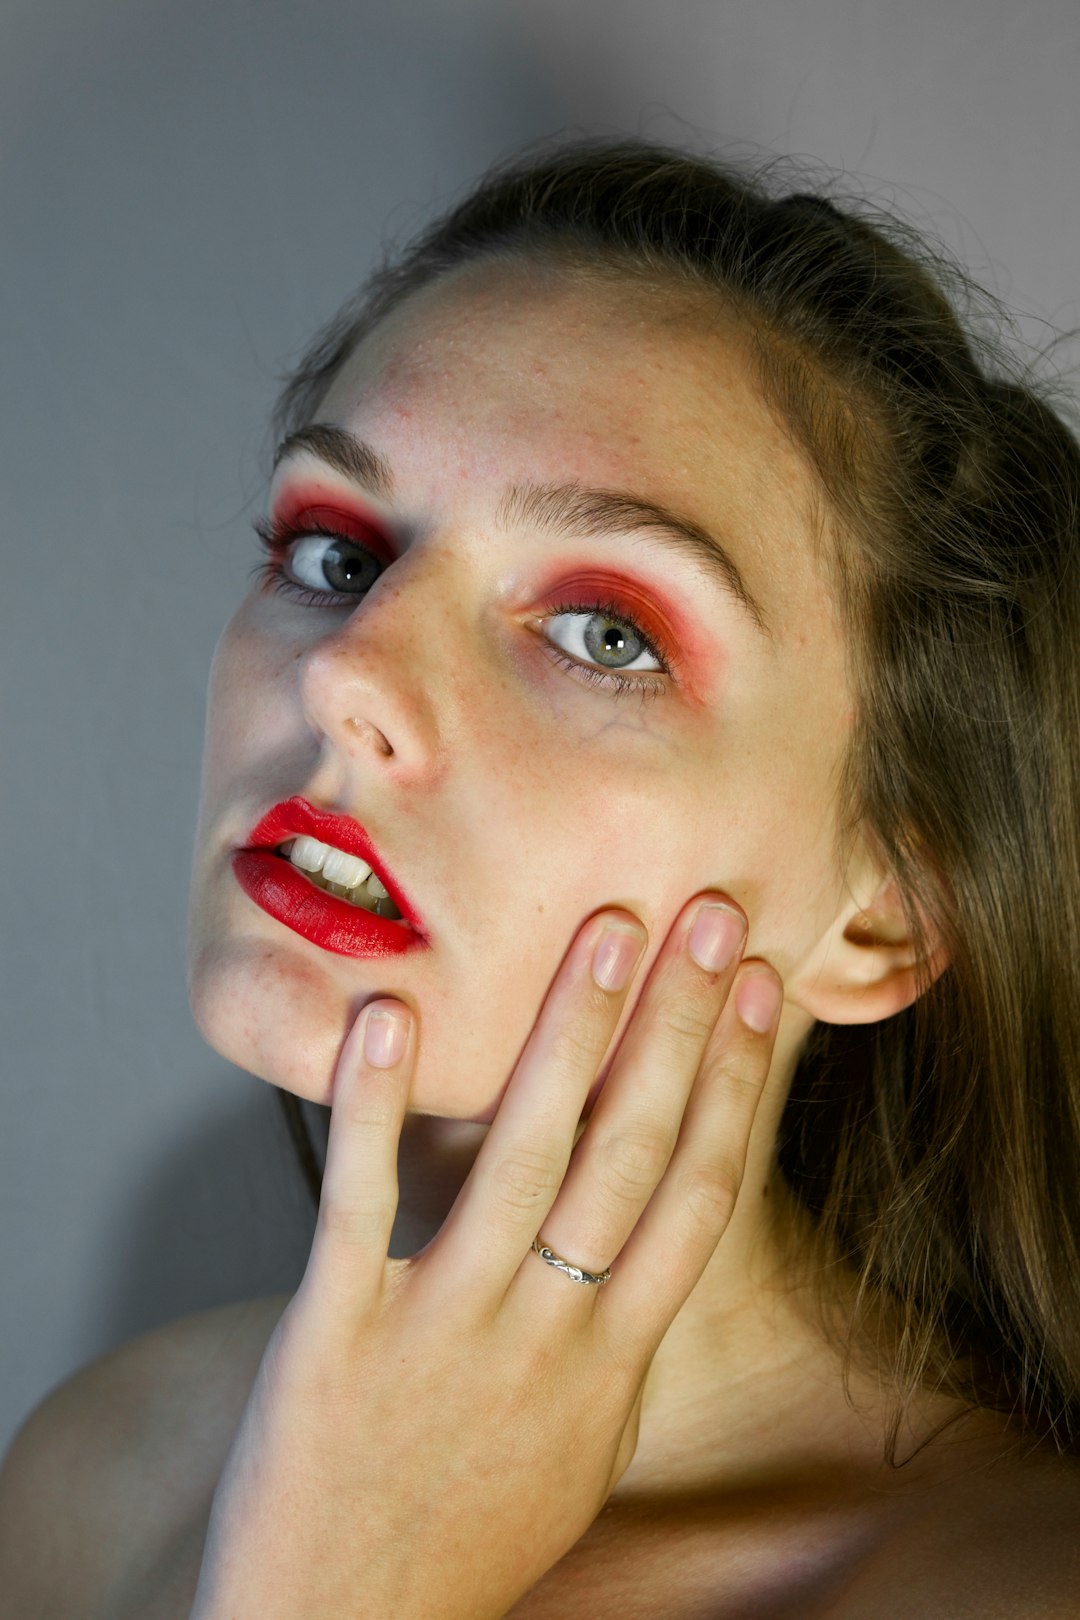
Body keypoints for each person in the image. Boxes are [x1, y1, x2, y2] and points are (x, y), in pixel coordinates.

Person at [3, 136, 1079, 1618]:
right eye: (334, 553)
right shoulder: (103, 1468)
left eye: (608, 634)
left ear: (891, 912)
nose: (349, 679)